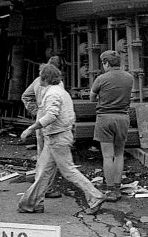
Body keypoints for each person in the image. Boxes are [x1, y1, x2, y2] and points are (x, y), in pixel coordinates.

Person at [18, 64, 106, 215]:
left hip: (57, 137)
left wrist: (31, 128)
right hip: (58, 136)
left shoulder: (52, 94)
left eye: (40, 75)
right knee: (42, 171)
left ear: (45, 78)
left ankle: (95, 196)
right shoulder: (60, 91)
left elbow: (52, 115)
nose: (39, 78)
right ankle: (31, 204)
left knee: (68, 171)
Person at [91, 50, 134, 199]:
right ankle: (117, 187)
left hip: (105, 118)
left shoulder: (101, 79)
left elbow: (92, 98)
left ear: (106, 63)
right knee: (119, 154)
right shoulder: (129, 78)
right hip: (123, 118)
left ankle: (109, 190)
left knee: (107, 156)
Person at [21, 55, 64, 198]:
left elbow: (25, 96)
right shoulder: (57, 85)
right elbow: (56, 110)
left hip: (40, 117)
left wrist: (36, 111)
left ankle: (38, 186)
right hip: (50, 120)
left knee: (42, 154)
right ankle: (46, 188)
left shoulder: (37, 81)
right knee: (51, 157)